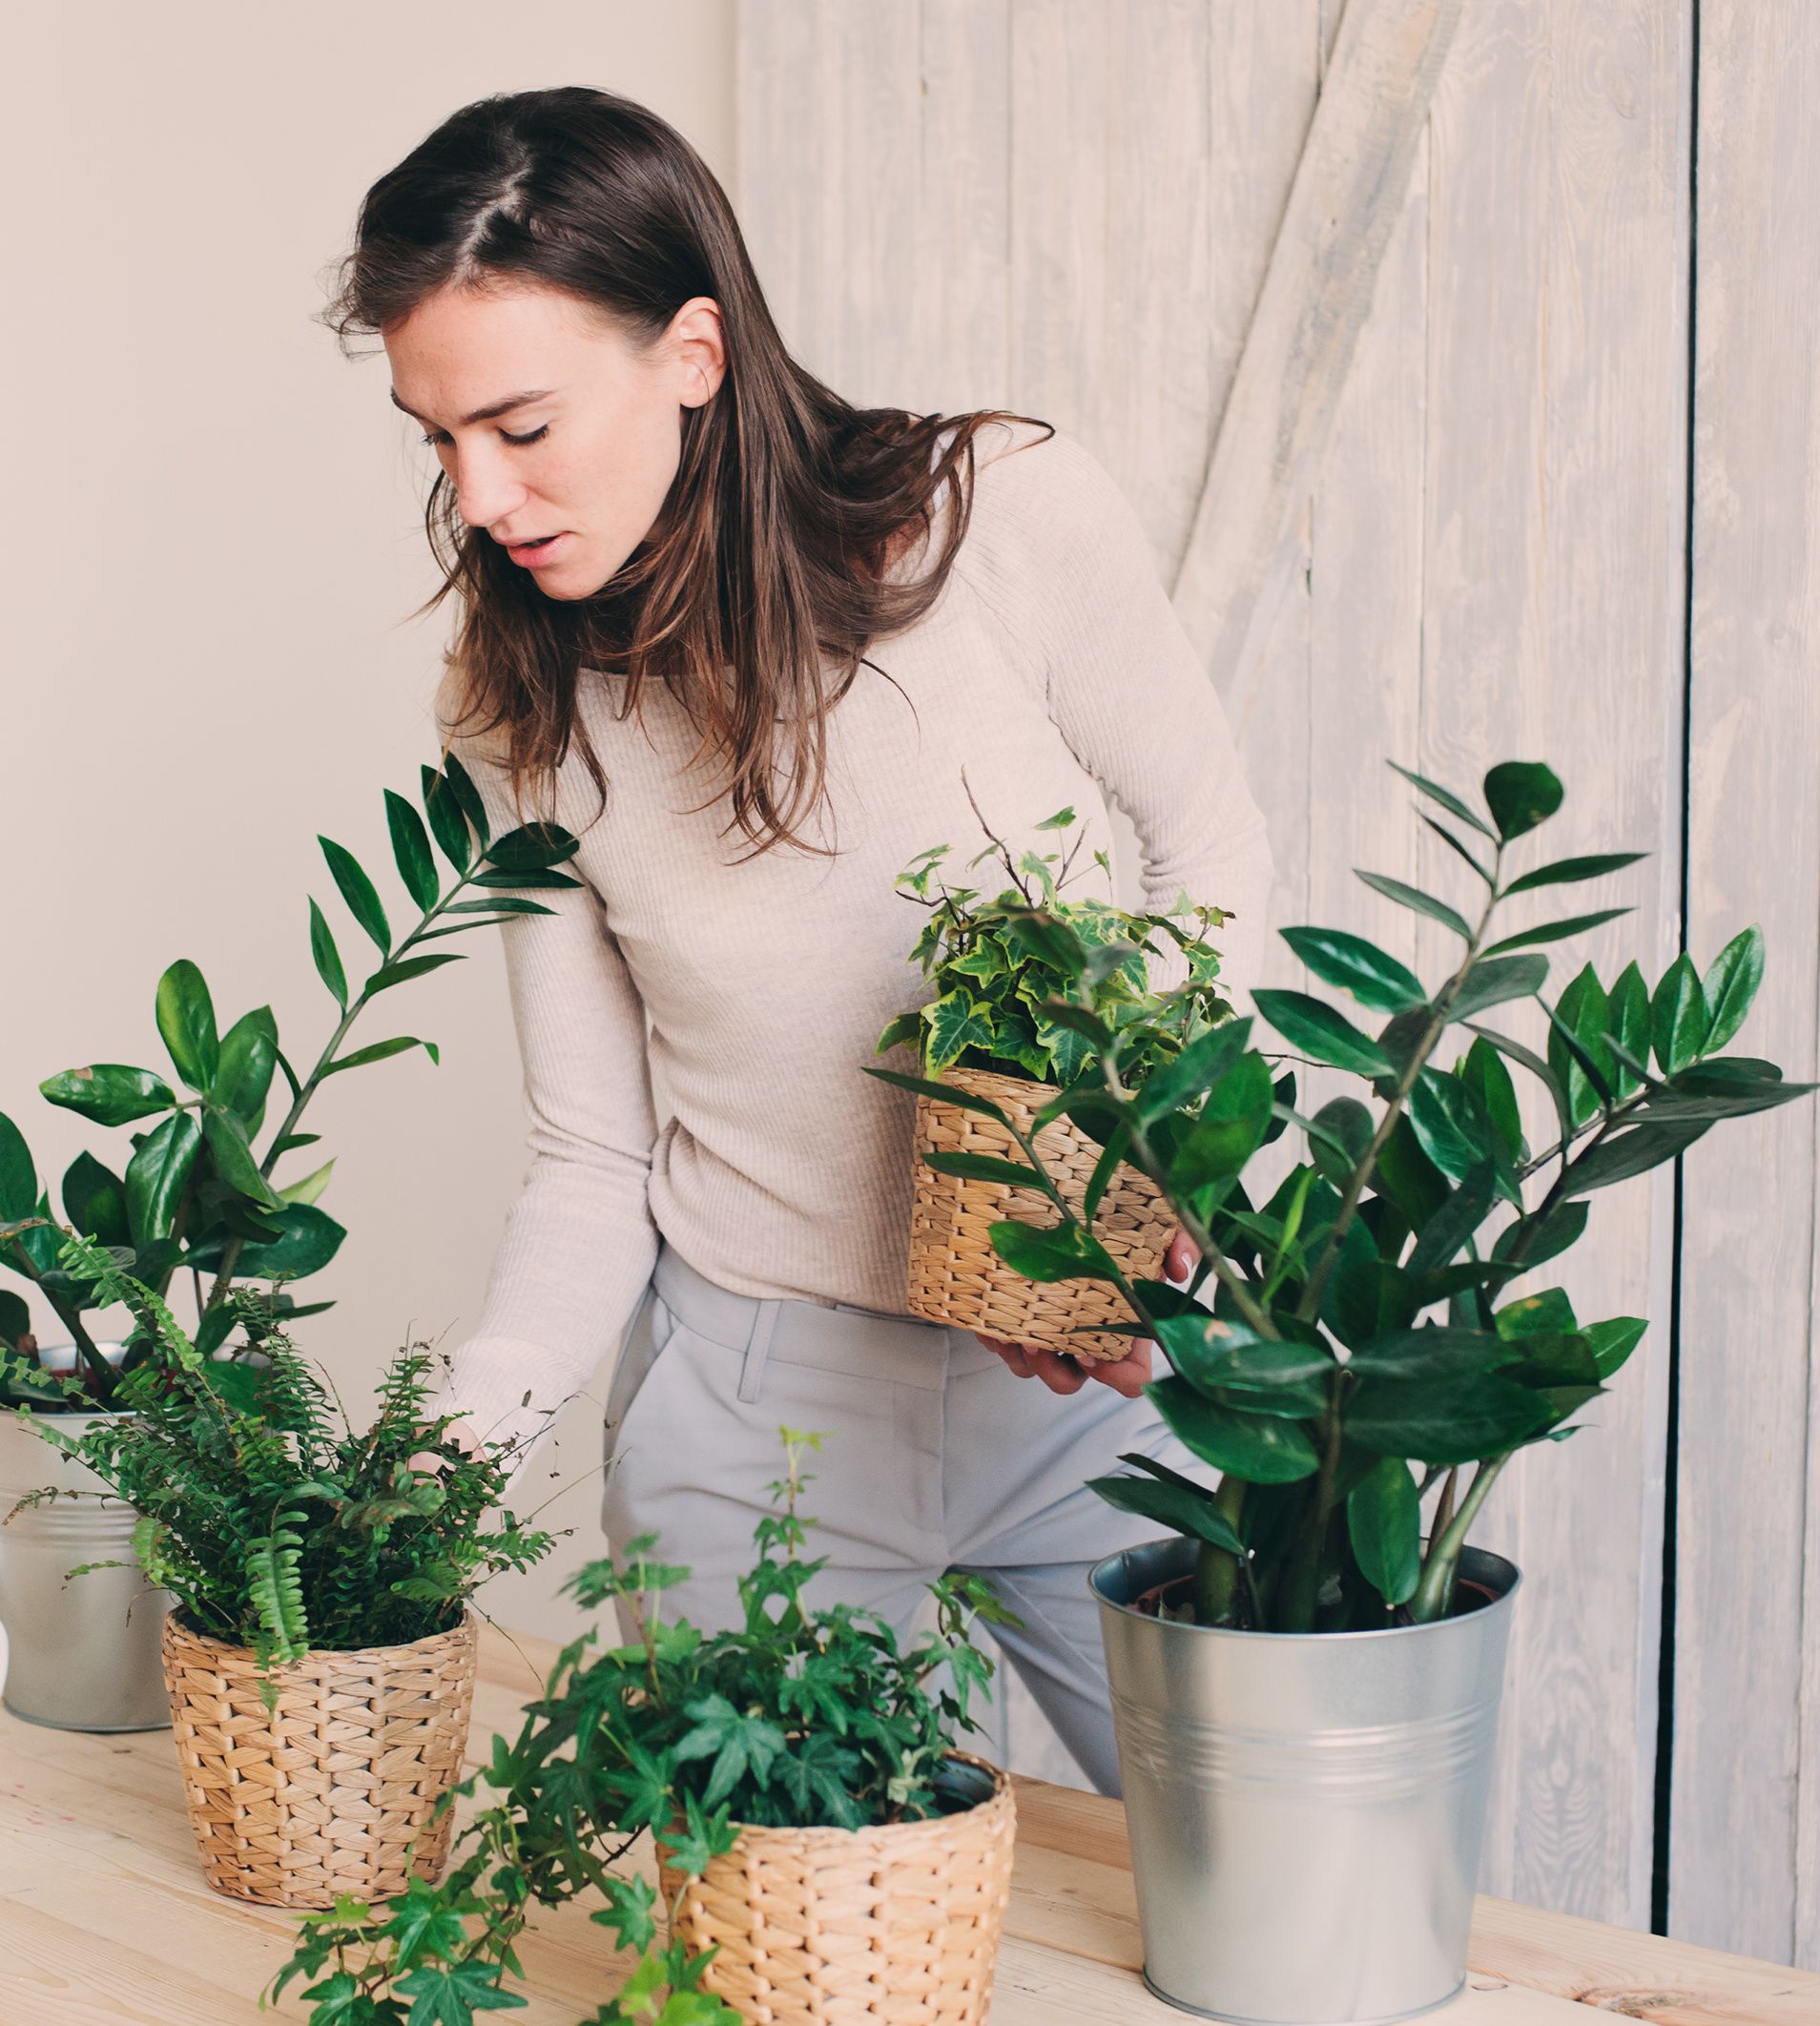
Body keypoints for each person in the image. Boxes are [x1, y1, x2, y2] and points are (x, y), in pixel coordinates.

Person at [327, 87, 1271, 1795]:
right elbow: (592, 1151)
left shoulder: (995, 518)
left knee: (1263, 1914)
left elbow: (1207, 853)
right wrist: (441, 1456)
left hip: (1098, 1388)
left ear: (692, 351)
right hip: (753, 1416)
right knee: (796, 1966)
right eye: (438, 440)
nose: (479, 497)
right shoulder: (516, 703)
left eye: (521, 427)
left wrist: (1142, 1221)